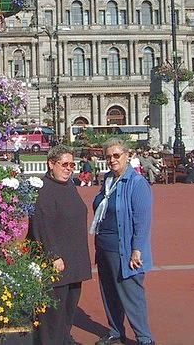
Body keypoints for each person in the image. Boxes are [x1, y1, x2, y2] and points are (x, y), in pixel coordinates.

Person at [91, 138, 155, 345]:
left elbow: (142, 221)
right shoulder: (108, 179)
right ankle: (116, 330)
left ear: (127, 156)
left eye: (116, 155)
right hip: (104, 246)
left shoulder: (137, 183)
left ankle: (144, 338)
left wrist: (137, 249)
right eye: (108, 156)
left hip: (125, 248)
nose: (112, 160)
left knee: (131, 294)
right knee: (109, 291)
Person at [28, 145, 91, 345]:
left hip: (75, 259)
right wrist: (53, 255)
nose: (68, 169)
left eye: (72, 165)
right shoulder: (44, 189)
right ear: (51, 164)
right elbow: (42, 225)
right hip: (57, 261)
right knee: (53, 312)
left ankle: (64, 339)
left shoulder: (69, 185)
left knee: (69, 308)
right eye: (64, 164)